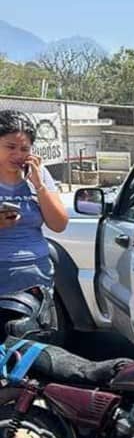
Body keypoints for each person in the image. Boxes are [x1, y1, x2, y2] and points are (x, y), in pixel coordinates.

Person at [0, 110, 68, 336]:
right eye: (10, 147)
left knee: (33, 346)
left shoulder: (39, 175)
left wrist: (39, 186)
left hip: (35, 278)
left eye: (24, 149)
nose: (18, 154)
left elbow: (58, 224)